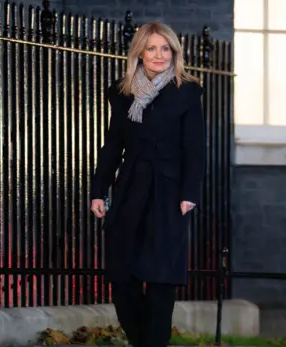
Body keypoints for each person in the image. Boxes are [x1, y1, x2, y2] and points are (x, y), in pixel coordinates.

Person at [89, 21, 206, 347]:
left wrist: (189, 193)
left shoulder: (187, 91)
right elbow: (112, 146)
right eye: (152, 48)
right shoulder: (123, 93)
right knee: (122, 281)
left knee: (160, 283)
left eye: (165, 48)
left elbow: (195, 149)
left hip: (169, 195)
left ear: (174, 52)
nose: (158, 54)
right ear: (140, 51)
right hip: (129, 192)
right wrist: (98, 190)